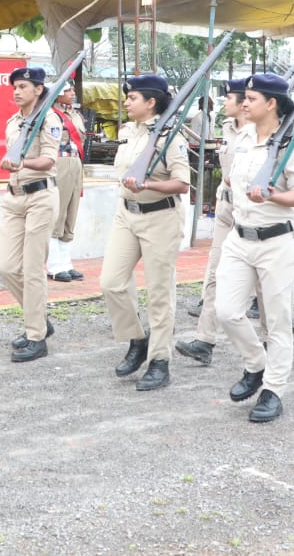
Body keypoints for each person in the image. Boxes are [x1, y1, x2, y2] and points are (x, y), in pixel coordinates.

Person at [214, 73, 294, 423]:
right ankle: (256, 364)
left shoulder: (292, 145)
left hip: (277, 240)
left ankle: (273, 389)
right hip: (240, 237)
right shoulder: (242, 137)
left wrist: (272, 195)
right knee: (226, 311)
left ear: (271, 103)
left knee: (278, 320)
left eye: (251, 99)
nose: (244, 103)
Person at [100, 74, 190, 391]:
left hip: (161, 216)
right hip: (127, 213)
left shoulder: (171, 137)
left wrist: (149, 184)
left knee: (159, 293)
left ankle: (159, 361)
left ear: (151, 102)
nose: (126, 102)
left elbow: (182, 183)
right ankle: (137, 338)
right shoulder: (128, 131)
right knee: (111, 282)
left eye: (132, 98)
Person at [176, 79, 249, 365]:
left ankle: (270, 345)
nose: (223, 102)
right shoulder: (228, 127)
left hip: (252, 210)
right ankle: (204, 339)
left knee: (260, 282)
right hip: (226, 205)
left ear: (244, 102)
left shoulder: (264, 133)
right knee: (215, 270)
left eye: (228, 97)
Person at [0, 67, 61, 363]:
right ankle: (39, 317)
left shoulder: (49, 119)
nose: (17, 91)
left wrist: (21, 162)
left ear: (38, 89)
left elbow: (49, 160)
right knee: (8, 267)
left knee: (33, 269)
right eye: (15, 87)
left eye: (23, 86)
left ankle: (36, 336)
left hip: (40, 197)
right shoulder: (13, 122)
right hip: (14, 197)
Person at [48, 84, 86, 283]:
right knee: (59, 212)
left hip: (75, 162)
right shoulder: (49, 115)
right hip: (59, 162)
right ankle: (54, 265)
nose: (72, 93)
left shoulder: (75, 115)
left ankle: (66, 263)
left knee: (71, 212)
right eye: (67, 91)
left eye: (72, 90)